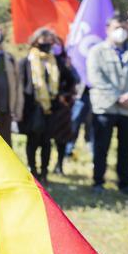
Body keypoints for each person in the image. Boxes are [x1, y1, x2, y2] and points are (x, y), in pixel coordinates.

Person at [86, 17, 128, 194]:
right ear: (108, 29)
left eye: (123, 28)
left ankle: (125, 183)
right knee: (101, 146)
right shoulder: (97, 51)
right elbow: (95, 77)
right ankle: (98, 181)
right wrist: (117, 97)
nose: (120, 31)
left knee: (126, 148)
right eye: (116, 27)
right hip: (106, 106)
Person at [18, 28, 63, 181]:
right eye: (44, 39)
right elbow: (21, 85)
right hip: (33, 107)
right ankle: (33, 170)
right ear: (36, 40)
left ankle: (44, 172)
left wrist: (62, 96)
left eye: (50, 39)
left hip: (51, 108)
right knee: (33, 140)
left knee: (47, 141)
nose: (47, 42)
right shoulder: (26, 61)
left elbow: (68, 79)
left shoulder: (55, 61)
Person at [49, 37, 78, 175]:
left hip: (62, 105)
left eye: (57, 44)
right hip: (45, 104)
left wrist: (64, 95)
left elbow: (73, 80)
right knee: (43, 138)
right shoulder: (41, 60)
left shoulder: (65, 62)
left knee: (62, 138)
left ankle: (59, 165)